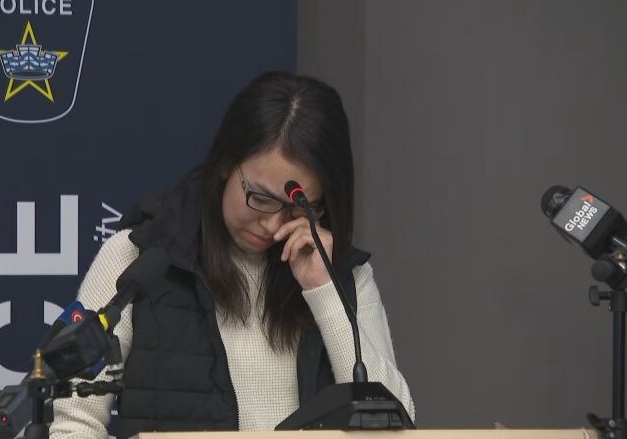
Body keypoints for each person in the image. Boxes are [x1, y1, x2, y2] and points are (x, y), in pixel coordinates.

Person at [49, 71, 414, 439]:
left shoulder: (345, 276)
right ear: (225, 163)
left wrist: (325, 290)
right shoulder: (140, 258)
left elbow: (396, 425)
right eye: (261, 197)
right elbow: (72, 424)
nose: (272, 225)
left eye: (298, 208)